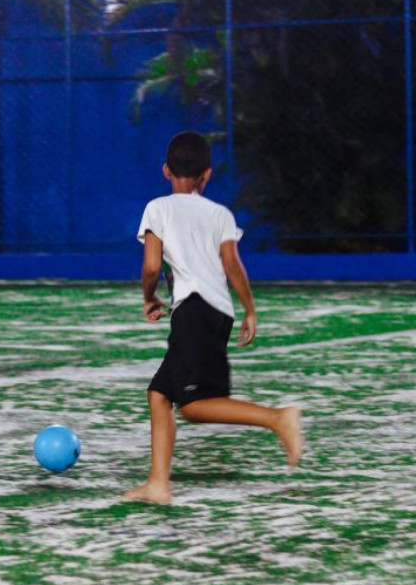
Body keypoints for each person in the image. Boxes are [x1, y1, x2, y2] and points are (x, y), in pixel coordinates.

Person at [121, 131, 303, 505]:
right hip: (217, 312)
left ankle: (278, 418)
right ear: (207, 175)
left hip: (192, 312)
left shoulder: (158, 208)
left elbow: (151, 265)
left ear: (165, 170)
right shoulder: (220, 214)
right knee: (159, 395)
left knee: (193, 406)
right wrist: (250, 309)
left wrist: (148, 297)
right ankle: (158, 484)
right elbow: (232, 265)